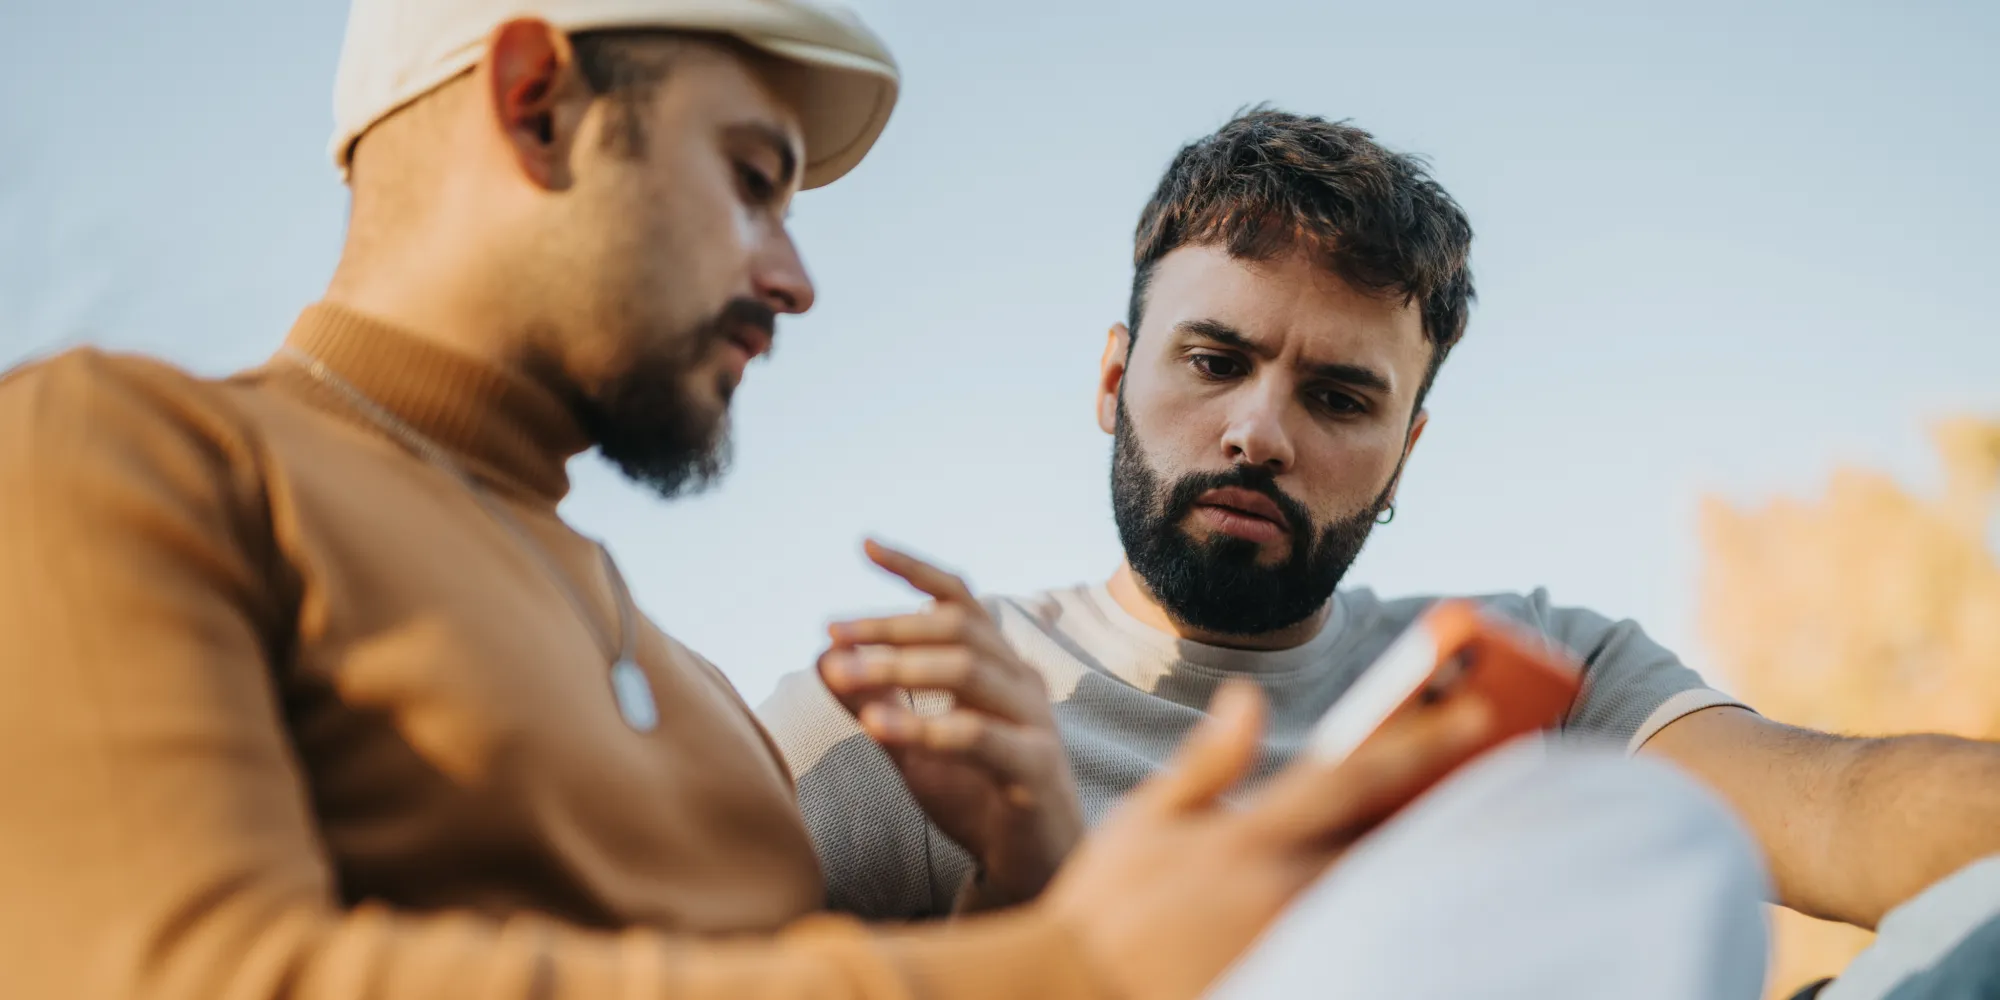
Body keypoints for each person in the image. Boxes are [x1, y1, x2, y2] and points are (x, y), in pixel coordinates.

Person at [0, 7, 1510, 999]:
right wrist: (1069, 962)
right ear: (535, 107)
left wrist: (1029, 866)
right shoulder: (117, 454)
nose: (794, 277)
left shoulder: (711, 709)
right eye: (752, 180)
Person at [761, 109, 2000, 939]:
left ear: (1405, 448)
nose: (1258, 431)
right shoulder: (927, 709)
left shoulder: (1543, 682)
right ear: (1110, 379)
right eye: (1212, 359)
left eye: (1337, 395)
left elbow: (1835, 803)